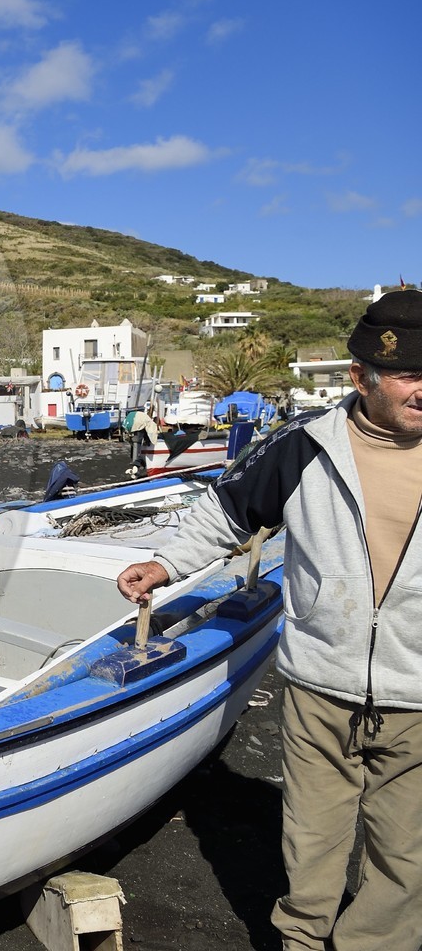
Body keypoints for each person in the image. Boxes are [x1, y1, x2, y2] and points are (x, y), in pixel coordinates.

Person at [115, 289, 422, 951]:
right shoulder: (303, 444)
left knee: (405, 861)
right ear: (358, 379)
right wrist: (165, 564)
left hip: (419, 697)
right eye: (407, 374)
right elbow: (226, 511)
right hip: (319, 685)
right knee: (312, 848)